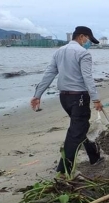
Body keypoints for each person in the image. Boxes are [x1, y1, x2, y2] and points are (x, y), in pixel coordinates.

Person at [30, 26, 104, 177]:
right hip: (80, 98)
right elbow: (87, 78)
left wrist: (37, 94)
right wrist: (96, 99)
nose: (88, 43)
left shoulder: (59, 51)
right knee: (76, 132)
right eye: (88, 39)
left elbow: (49, 74)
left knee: (80, 127)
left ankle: (94, 155)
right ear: (82, 37)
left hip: (64, 98)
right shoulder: (84, 54)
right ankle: (63, 170)